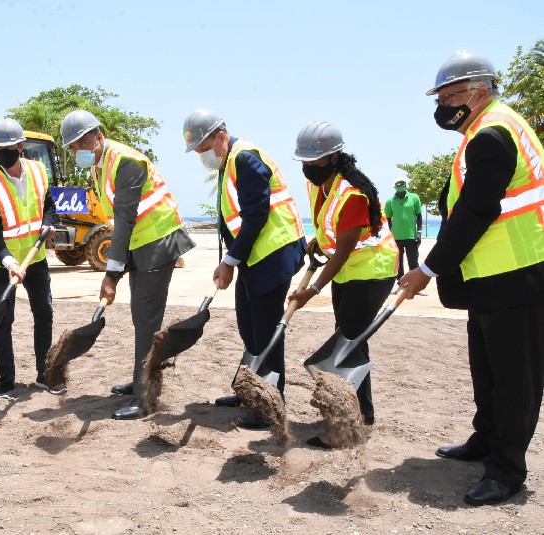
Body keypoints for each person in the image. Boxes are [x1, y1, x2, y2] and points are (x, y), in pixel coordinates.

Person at [400, 50, 544, 506]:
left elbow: (476, 211)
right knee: (487, 367)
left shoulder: (493, 134)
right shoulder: (486, 128)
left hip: (517, 274)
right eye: (440, 98)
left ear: (478, 92)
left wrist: (427, 268)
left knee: (515, 378)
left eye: (450, 96)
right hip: (491, 275)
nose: (442, 106)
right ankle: (486, 439)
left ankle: (506, 471)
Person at [61, 109, 196, 420]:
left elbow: (124, 219)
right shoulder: (100, 163)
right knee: (140, 317)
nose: (78, 150)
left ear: (98, 137)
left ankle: (144, 397)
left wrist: (111, 274)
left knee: (146, 319)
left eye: (83, 143)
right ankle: (140, 379)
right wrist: (118, 268)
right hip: (141, 242)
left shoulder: (125, 161)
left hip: (159, 241)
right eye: (73, 147)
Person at [182, 109, 306, 429]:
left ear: (220, 137)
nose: (202, 156)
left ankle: (269, 405)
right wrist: (231, 259)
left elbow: (256, 216)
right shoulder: (229, 161)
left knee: (265, 332)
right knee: (248, 327)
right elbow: (234, 218)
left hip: (273, 254)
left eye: (204, 148)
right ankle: (250, 391)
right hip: (254, 255)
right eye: (198, 152)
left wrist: (229, 262)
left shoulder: (245, 158)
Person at [288, 121, 398, 441]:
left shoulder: (353, 194)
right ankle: (363, 413)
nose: (309, 167)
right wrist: (318, 241)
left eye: (316, 161)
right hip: (349, 271)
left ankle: (347, 424)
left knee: (348, 341)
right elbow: (330, 228)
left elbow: (343, 252)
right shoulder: (318, 185)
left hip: (373, 271)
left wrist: (312, 290)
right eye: (305, 161)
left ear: (334, 157)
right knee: (351, 339)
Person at [0, 118, 57, 400]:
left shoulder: (38, 171)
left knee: (44, 314)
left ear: (20, 147)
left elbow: (48, 205)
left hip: (36, 257)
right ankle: (7, 382)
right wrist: (9, 263)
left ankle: (45, 374)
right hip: (3, 265)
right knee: (2, 321)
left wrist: (48, 223)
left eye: (6, 149)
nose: (1, 154)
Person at [385, 179, 423, 291]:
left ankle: (414, 286)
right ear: (395, 186)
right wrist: (389, 235)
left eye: (402, 184)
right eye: (398, 184)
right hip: (396, 238)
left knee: (413, 262)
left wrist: (419, 232)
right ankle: (401, 285)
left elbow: (419, 215)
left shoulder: (414, 198)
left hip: (411, 236)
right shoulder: (390, 201)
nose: (400, 186)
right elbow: (388, 219)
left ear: (406, 185)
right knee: (399, 264)